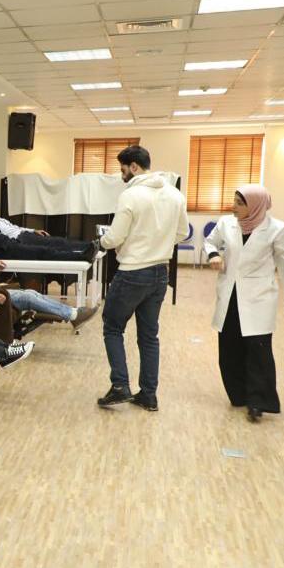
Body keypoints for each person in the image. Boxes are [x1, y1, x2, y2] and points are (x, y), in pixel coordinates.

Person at [96, 145, 188, 411]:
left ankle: (120, 386)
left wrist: (102, 240)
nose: (121, 174)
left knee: (113, 327)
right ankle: (148, 394)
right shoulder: (174, 194)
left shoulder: (130, 195)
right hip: (160, 273)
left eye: (123, 168)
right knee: (149, 336)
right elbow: (182, 233)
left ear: (134, 166)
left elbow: (114, 238)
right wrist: (158, 243)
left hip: (132, 272)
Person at [204, 185, 284, 422]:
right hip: (230, 294)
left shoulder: (277, 229)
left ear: (255, 206)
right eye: (234, 201)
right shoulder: (226, 223)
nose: (233, 207)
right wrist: (213, 254)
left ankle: (258, 401)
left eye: (240, 203)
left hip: (259, 297)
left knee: (258, 349)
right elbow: (210, 242)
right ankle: (239, 394)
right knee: (229, 347)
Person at [0, 208, 97, 264]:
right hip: (3, 250)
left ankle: (84, 252)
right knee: (44, 252)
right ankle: (82, 256)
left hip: (8, 243)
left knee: (47, 248)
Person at [0, 201, 92, 252]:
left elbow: (16, 227)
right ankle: (88, 247)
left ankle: (88, 246)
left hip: (24, 234)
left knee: (57, 241)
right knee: (58, 242)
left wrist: (34, 230)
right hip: (20, 239)